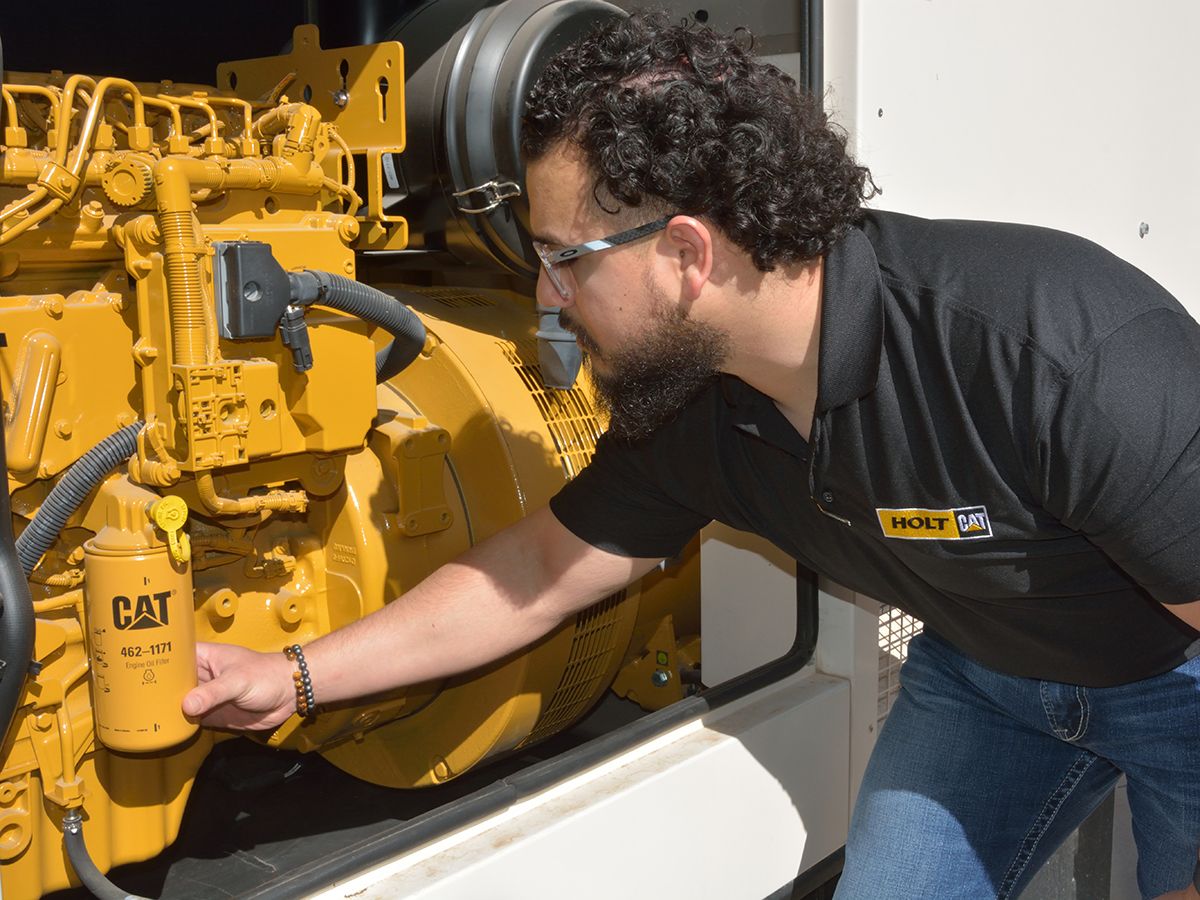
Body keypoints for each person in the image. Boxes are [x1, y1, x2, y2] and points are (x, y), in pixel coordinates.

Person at [183, 13, 1200, 899]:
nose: (545, 297)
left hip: (1177, 678)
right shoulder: (700, 411)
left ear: (685, 254)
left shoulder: (1057, 351)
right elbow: (535, 573)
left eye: (559, 258)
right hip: (984, 677)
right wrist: (297, 675)